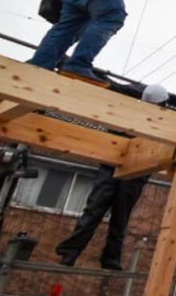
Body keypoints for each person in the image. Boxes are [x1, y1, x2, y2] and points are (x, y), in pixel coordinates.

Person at [56, 83, 168, 270]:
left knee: (116, 217)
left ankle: (108, 258)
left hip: (134, 173)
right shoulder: (129, 113)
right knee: (96, 211)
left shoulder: (165, 121)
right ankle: (70, 252)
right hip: (112, 167)